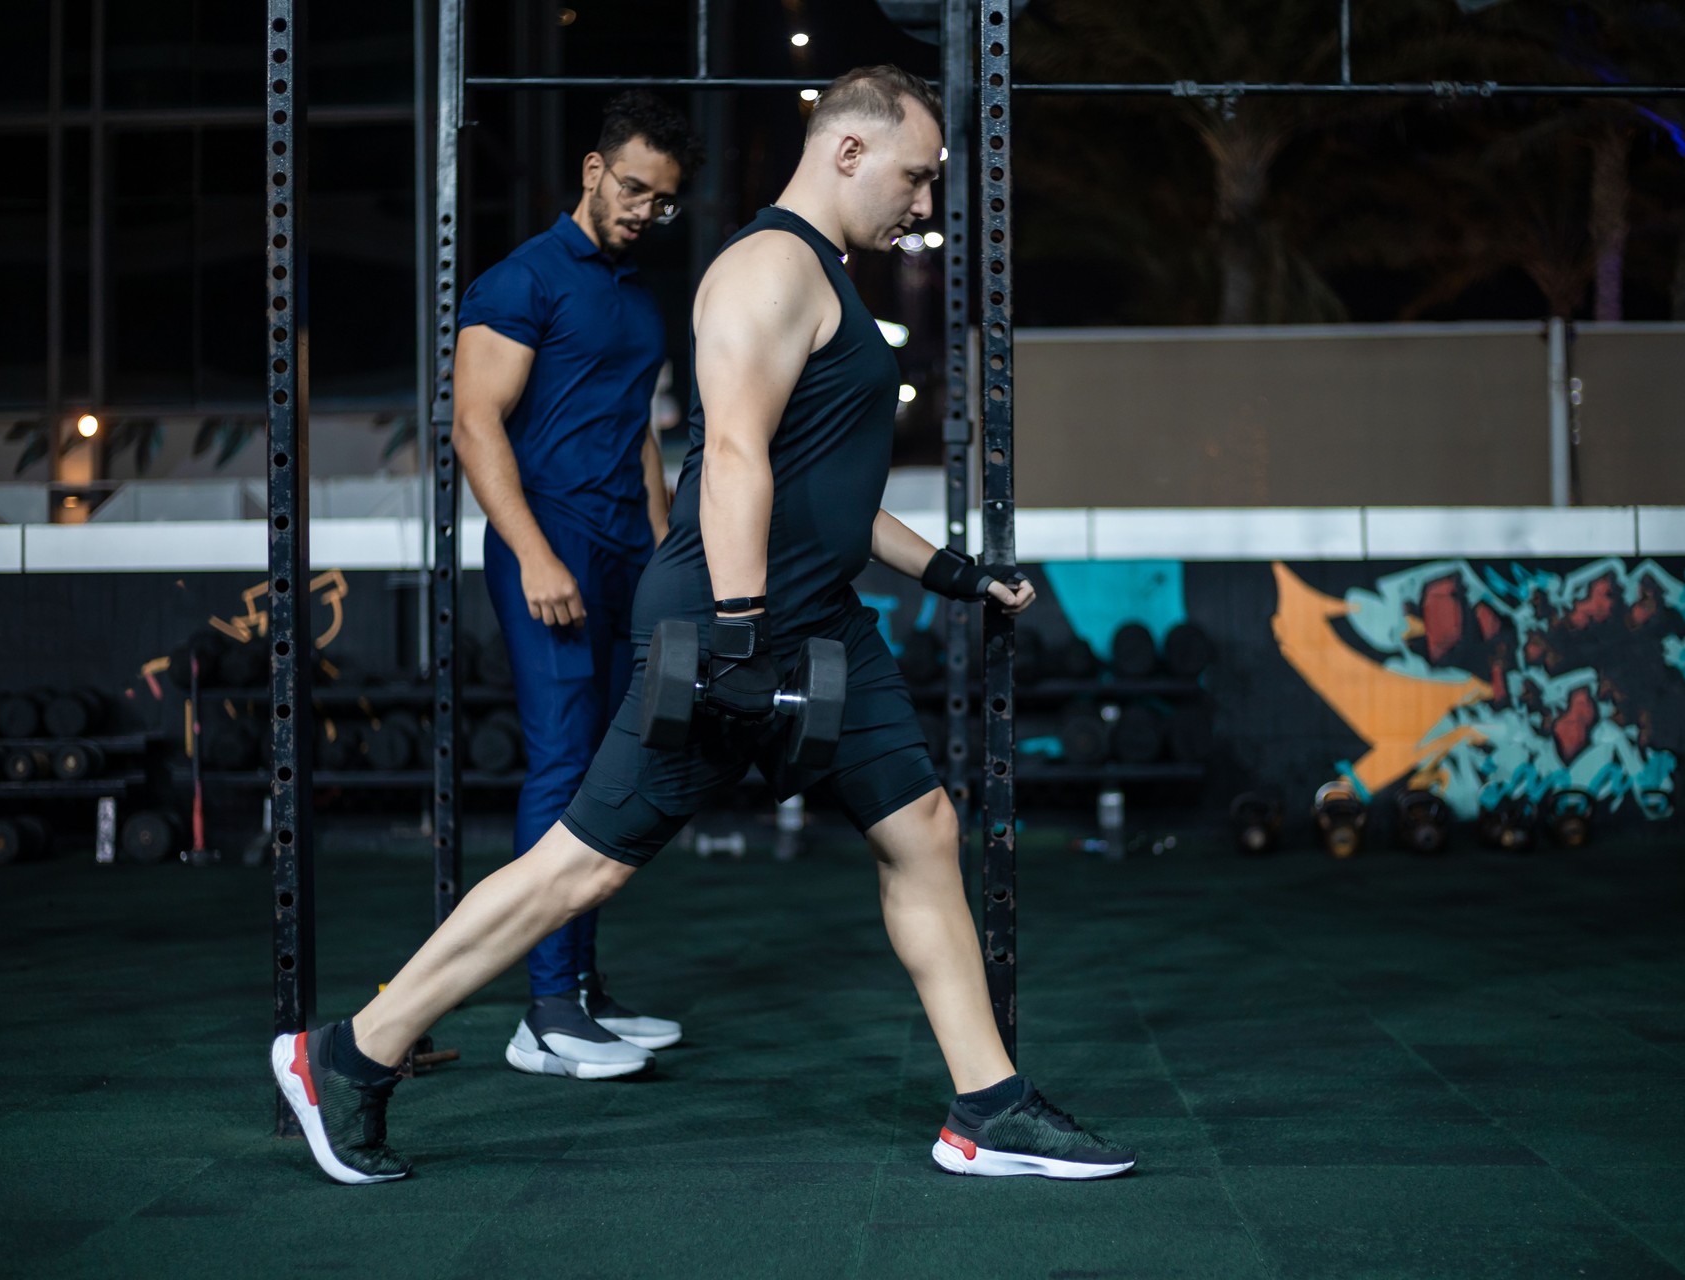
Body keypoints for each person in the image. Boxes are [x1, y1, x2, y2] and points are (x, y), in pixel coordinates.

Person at [271, 65, 1136, 1185]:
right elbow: (727, 456)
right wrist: (735, 637)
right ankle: (346, 1055)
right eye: (916, 177)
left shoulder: (821, 277)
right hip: (735, 624)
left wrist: (957, 572)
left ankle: (989, 1103)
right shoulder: (767, 269)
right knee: (578, 867)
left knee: (920, 824)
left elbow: (822, 489)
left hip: (820, 621)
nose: (924, 205)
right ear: (849, 152)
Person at [452, 92, 697, 1080]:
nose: (643, 209)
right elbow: (475, 424)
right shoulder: (521, 281)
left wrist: (666, 549)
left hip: (624, 554)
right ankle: (545, 1008)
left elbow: (640, 429)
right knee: (560, 765)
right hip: (546, 548)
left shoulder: (636, 295)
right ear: (594, 171)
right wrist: (537, 554)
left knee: (609, 772)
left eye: (662, 199)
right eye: (632, 186)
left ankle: (584, 990)